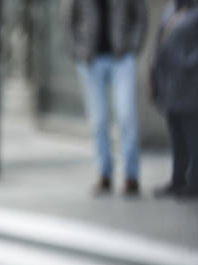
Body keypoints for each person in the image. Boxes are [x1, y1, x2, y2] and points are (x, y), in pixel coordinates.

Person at [65, 0, 146, 196]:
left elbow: (140, 16)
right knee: (98, 120)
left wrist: (133, 46)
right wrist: (78, 50)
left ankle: (131, 176)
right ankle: (104, 174)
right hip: (91, 61)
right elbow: (68, 19)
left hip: (122, 57)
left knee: (126, 115)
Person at [149, 0, 198, 199]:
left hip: (190, 82)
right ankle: (178, 179)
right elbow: (161, 39)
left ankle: (196, 183)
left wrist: (187, 63)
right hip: (168, 81)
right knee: (176, 133)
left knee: (192, 132)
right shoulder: (172, 8)